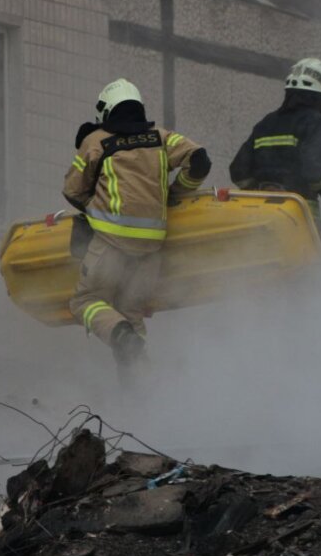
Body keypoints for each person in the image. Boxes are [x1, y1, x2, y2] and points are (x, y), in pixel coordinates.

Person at [63, 78, 211, 372]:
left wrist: (95, 205)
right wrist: (175, 192)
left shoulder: (96, 142)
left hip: (110, 245)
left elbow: (72, 191)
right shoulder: (162, 137)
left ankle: (120, 337)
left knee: (85, 301)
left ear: (106, 110)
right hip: (152, 248)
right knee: (131, 313)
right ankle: (139, 389)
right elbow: (200, 159)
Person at [229, 57, 321, 244]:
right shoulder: (314, 123)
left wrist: (261, 191)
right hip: (298, 225)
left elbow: (238, 169)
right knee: (304, 273)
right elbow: (319, 173)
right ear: (317, 97)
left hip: (260, 223)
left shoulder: (266, 123)